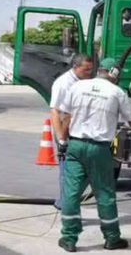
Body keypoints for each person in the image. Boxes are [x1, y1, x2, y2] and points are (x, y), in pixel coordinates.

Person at [57, 58, 131, 252]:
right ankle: (112, 238)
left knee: (71, 193)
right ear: (113, 73)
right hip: (99, 149)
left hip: (75, 145)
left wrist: (63, 142)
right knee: (105, 193)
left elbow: (66, 117)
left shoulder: (78, 87)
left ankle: (69, 238)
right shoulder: (117, 92)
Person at [48, 54, 94, 209]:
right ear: (75, 67)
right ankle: (65, 204)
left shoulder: (85, 81)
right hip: (66, 131)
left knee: (87, 170)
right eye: (86, 69)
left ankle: (66, 201)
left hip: (81, 130)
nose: (89, 73)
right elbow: (55, 111)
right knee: (68, 171)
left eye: (91, 69)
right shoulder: (63, 84)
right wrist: (61, 138)